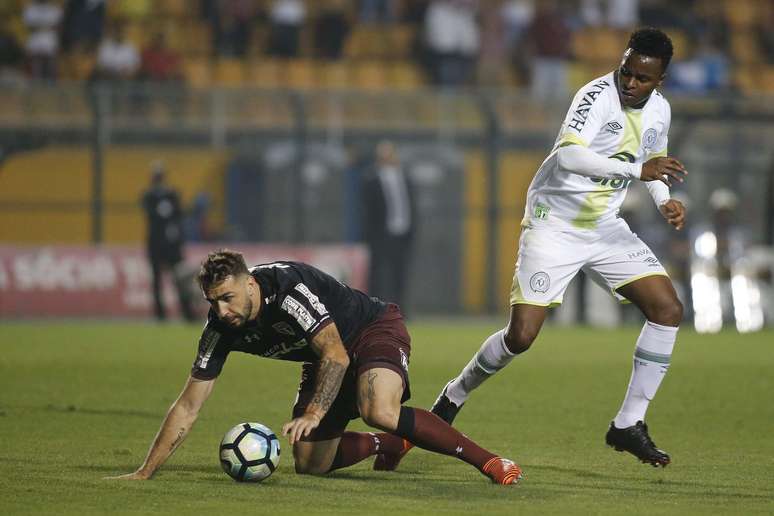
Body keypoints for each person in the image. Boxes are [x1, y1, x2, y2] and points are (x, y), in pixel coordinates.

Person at [378, 27, 688, 471]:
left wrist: (665, 201)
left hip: (603, 226)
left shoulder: (661, 111)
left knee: (667, 309)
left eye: (642, 78)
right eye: (626, 71)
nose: (630, 83)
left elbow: (655, 165)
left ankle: (628, 423)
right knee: (521, 336)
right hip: (555, 223)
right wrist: (641, 172)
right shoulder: (595, 96)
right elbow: (569, 157)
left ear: (660, 80)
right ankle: (453, 396)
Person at [107, 250, 522, 484]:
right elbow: (188, 405)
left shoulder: (286, 290)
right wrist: (145, 472)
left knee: (378, 410)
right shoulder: (221, 328)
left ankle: (490, 463)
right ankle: (388, 445)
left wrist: (315, 412)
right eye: (213, 301)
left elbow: (338, 355)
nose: (222, 309)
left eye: (228, 297)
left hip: (370, 330)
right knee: (310, 462)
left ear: (250, 283)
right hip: (324, 357)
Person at [361, 141, 416, 313]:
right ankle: (375, 311)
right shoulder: (371, 178)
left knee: (399, 274)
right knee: (377, 274)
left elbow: (410, 204)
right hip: (380, 234)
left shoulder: (404, 176)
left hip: (402, 232)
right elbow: (368, 210)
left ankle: (399, 310)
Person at [140, 161, 195, 322]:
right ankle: (160, 314)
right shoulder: (149, 196)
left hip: (171, 244)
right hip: (157, 244)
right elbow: (151, 214)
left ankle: (186, 312)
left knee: (179, 278)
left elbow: (179, 214)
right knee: (158, 280)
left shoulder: (172, 195)